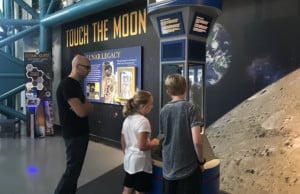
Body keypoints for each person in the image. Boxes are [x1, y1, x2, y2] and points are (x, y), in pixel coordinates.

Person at [159, 74, 206, 194]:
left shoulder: (163, 110)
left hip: (168, 168)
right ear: (186, 87)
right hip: (188, 169)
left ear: (168, 91)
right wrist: (201, 161)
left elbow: (164, 135)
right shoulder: (191, 108)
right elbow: (197, 141)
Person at [55, 54, 94, 194]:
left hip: (79, 134)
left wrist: (85, 106)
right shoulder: (68, 85)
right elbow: (83, 111)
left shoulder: (75, 85)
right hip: (74, 135)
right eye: (87, 67)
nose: (89, 70)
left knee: (75, 171)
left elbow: (87, 106)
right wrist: (85, 106)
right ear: (77, 67)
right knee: (72, 171)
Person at [120, 90, 160, 194]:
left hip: (129, 161)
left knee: (128, 188)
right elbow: (142, 146)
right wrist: (155, 142)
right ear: (143, 105)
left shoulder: (127, 119)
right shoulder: (143, 121)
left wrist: (128, 153)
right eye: (150, 104)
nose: (152, 106)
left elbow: (123, 142)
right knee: (140, 191)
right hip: (140, 164)